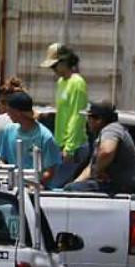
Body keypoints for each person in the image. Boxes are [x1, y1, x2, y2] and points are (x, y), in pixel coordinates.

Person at [67, 100, 135, 195]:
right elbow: (90, 168)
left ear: (99, 120)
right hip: (115, 186)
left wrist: (98, 171)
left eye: (89, 118)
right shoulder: (104, 133)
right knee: (71, 188)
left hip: (120, 187)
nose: (87, 121)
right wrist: (74, 183)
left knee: (73, 189)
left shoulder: (111, 129)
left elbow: (107, 151)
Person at [43, 43, 90, 188]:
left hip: (73, 147)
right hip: (61, 145)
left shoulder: (77, 83)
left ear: (64, 62)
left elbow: (77, 116)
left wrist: (69, 148)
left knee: (54, 186)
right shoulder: (61, 82)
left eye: (54, 66)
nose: (53, 70)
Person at [0, 91, 62, 187]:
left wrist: (29, 183)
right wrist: (7, 173)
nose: (7, 114)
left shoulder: (46, 137)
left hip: (35, 190)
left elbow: (49, 172)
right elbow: (0, 159)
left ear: (18, 112)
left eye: (9, 111)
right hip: (11, 187)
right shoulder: (8, 131)